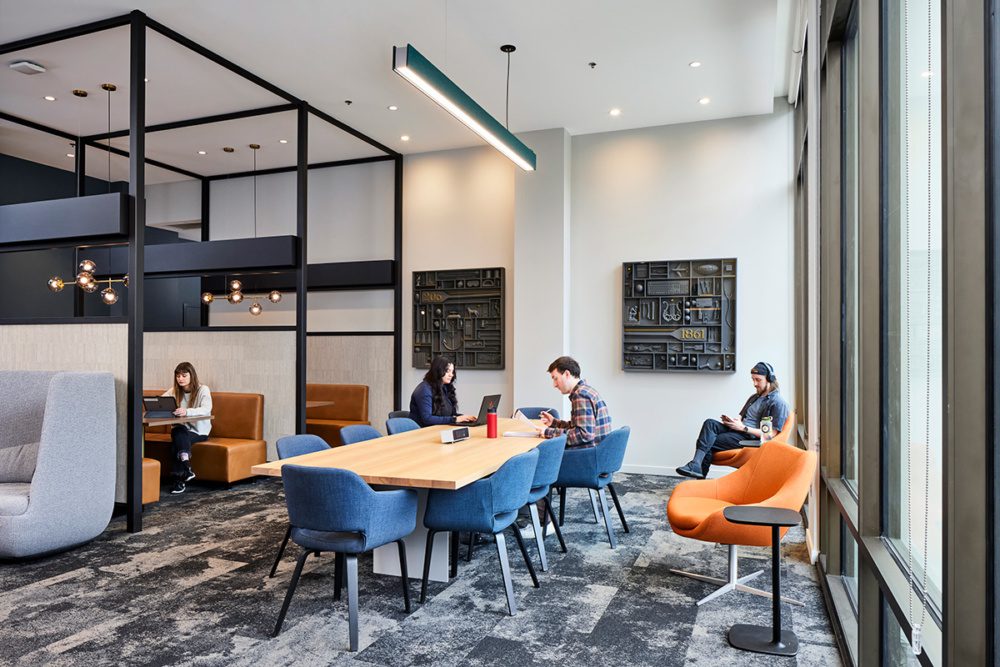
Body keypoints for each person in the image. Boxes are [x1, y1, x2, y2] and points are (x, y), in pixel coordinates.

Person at [676, 361, 790, 480]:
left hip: (749, 437)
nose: (755, 383)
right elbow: (741, 418)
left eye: (758, 380)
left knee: (709, 441)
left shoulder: (776, 402)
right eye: (753, 379)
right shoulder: (755, 397)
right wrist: (732, 422)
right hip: (738, 430)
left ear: (769, 379)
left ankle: (698, 473)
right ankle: (696, 466)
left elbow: (769, 434)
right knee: (709, 423)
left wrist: (743, 428)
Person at [539, 356, 612, 449]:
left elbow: (583, 435)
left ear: (566, 374)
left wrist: (548, 432)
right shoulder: (586, 391)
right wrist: (554, 423)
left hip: (587, 455)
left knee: (546, 452)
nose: (554, 385)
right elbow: (578, 427)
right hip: (596, 452)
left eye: (555, 378)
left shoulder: (581, 395)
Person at [163, 361, 213, 494]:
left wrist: (186, 411)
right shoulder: (174, 391)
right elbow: (161, 401)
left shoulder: (203, 389)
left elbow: (207, 409)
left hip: (199, 431)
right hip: (182, 430)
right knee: (179, 431)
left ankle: (180, 477)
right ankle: (185, 467)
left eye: (184, 376)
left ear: (192, 376)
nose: (180, 379)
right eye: (178, 376)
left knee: (177, 439)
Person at [409, 356, 478, 427]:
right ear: (438, 370)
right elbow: (427, 419)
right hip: (422, 432)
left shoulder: (444, 387)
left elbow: (448, 415)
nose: (451, 375)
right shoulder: (424, 390)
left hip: (438, 429)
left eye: (452, 371)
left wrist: (465, 418)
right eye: (447, 371)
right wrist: (455, 419)